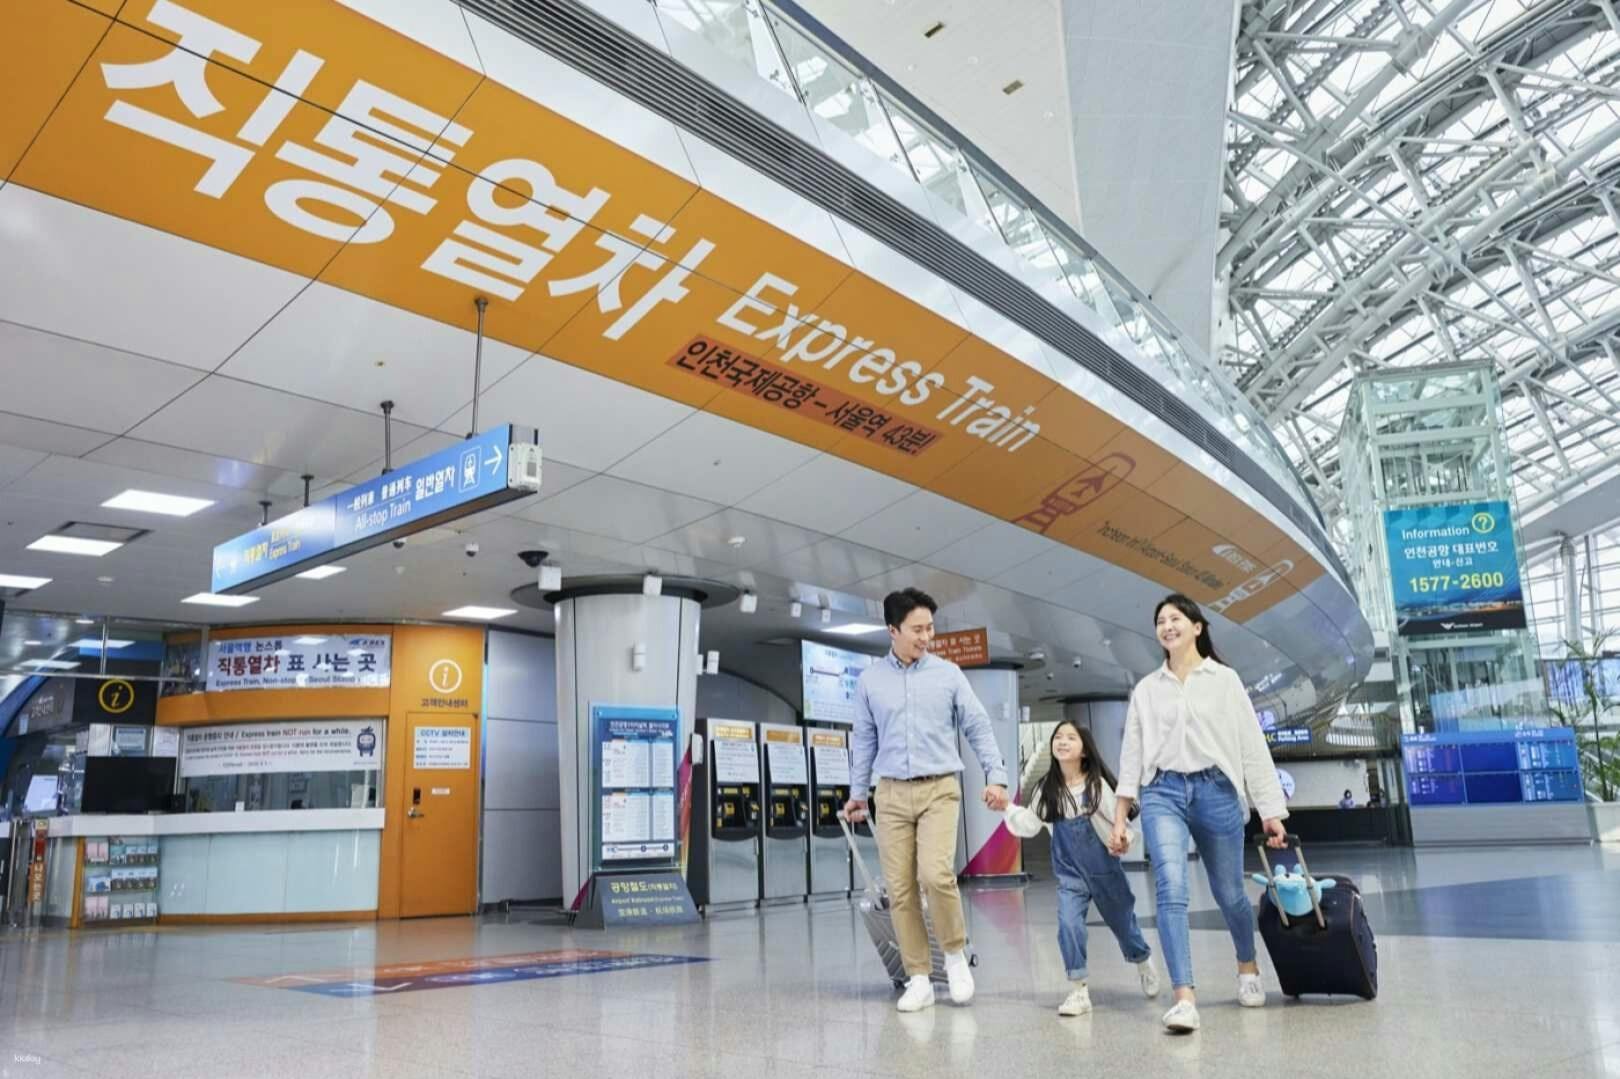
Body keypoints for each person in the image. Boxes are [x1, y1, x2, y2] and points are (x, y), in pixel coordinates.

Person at [1110, 593, 1288, 1034]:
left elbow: (1251, 745)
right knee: (1170, 887)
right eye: (1160, 621)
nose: (1167, 626)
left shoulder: (1224, 680)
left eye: (1175, 618)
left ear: (1197, 627)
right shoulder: (1147, 689)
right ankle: (1184, 998)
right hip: (1162, 792)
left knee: (1229, 892)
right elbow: (1131, 754)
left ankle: (1247, 967)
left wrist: (1270, 809)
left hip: (1216, 790)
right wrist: (1119, 816)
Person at [845, 588, 1009, 1013]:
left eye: (930, 628)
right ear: (892, 630)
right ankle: (918, 977)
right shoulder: (870, 681)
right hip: (891, 793)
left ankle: (954, 956)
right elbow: (864, 740)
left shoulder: (948, 675)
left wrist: (996, 775)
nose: (925, 637)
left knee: (936, 876)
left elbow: (977, 725)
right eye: (916, 629)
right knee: (900, 889)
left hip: (939, 787)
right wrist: (858, 794)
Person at [1004, 720, 1161, 1017]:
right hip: (1070, 874)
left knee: (1124, 924)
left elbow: (1120, 824)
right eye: (1058, 737)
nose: (1062, 741)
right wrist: (1006, 808)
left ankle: (1142, 961)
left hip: (1105, 871)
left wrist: (1122, 840)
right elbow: (1029, 824)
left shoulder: (1096, 784)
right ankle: (1078, 989)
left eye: (1071, 738)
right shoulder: (1047, 789)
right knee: (1068, 925)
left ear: (1085, 750)